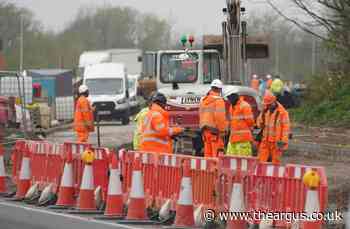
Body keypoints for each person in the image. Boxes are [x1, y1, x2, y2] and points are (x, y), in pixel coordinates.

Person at [257, 91, 290, 164]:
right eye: (266, 104)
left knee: (275, 163)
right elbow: (259, 124)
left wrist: (283, 142)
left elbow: (286, 129)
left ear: (273, 102)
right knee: (260, 162)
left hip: (276, 142)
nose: (267, 106)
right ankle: (261, 175)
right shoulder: (265, 111)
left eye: (268, 104)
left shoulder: (282, 113)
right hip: (265, 140)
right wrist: (262, 114)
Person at [199, 79, 228, 158]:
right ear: (220, 89)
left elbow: (201, 116)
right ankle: (215, 170)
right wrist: (222, 131)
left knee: (208, 155)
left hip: (205, 132)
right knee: (216, 156)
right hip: (215, 133)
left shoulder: (203, 100)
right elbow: (220, 117)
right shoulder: (219, 101)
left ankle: (208, 170)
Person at [225, 90, 255, 156]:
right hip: (233, 139)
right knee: (230, 161)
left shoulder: (244, 106)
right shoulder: (232, 106)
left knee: (243, 161)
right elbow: (231, 121)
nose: (229, 101)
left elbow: (250, 122)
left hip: (243, 140)